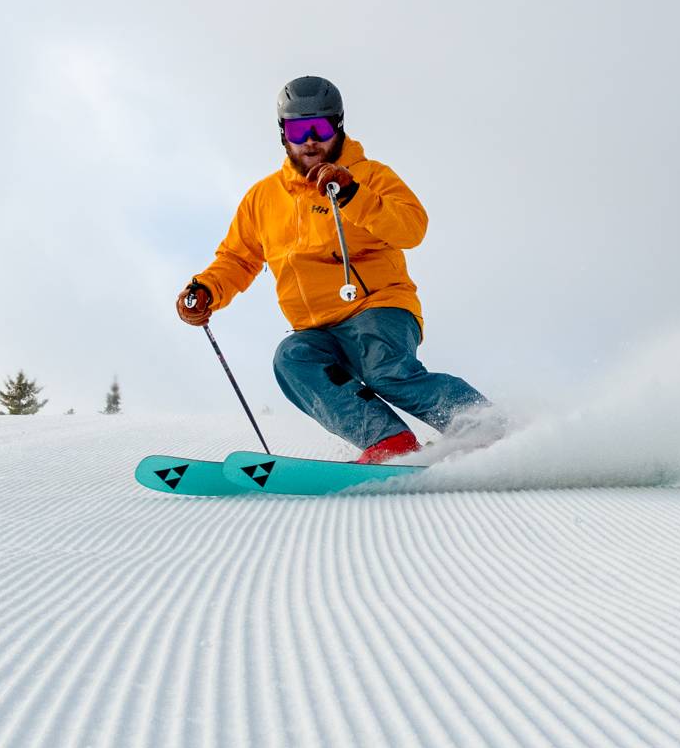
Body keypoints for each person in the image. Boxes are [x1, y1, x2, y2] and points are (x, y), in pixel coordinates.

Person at [177, 75, 488, 463]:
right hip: (315, 327)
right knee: (292, 359)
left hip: (377, 307)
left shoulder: (371, 176)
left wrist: (353, 194)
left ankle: (484, 424)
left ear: (338, 127)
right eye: (297, 129)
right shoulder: (263, 198)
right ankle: (389, 443)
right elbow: (238, 258)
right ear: (282, 134)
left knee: (385, 370)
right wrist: (206, 289)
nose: (310, 140)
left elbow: (412, 228)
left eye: (320, 128)